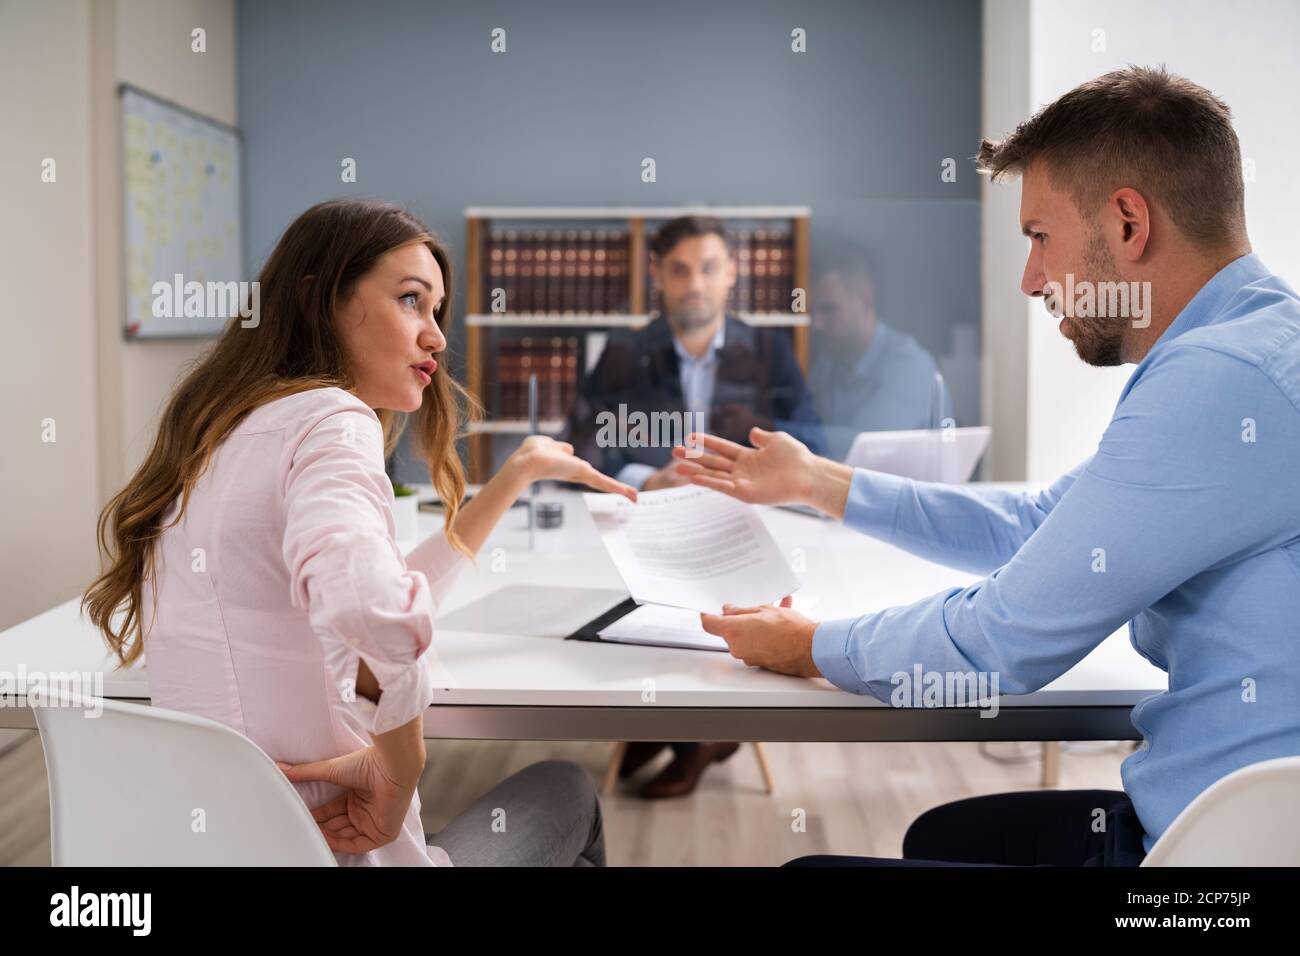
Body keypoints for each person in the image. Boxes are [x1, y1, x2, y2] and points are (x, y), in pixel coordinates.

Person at [673, 66, 1300, 865]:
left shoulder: (1223, 383)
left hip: (1213, 877)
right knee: (941, 835)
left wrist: (805, 644)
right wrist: (818, 482)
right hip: (1215, 823)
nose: (1031, 279)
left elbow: (1001, 642)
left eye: (1040, 237)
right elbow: (1043, 528)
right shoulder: (1256, 344)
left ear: (1129, 224)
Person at [83, 199, 637, 866]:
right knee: (568, 786)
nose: (435, 336)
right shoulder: (332, 418)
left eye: (437, 312)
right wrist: (401, 766)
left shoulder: (213, 441)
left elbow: (382, 594)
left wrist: (515, 475)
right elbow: (374, 608)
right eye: (411, 300)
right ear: (322, 301)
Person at [566, 215, 820, 798]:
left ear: (732, 273)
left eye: (708, 268)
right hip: (655, 524)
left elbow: (814, 445)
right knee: (642, 590)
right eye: (679, 270)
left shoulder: (770, 351)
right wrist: (646, 478)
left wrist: (757, 472)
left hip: (748, 524)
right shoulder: (627, 352)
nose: (694, 284)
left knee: (714, 589)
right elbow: (579, 446)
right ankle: (673, 723)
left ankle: (695, 731)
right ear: (657, 275)